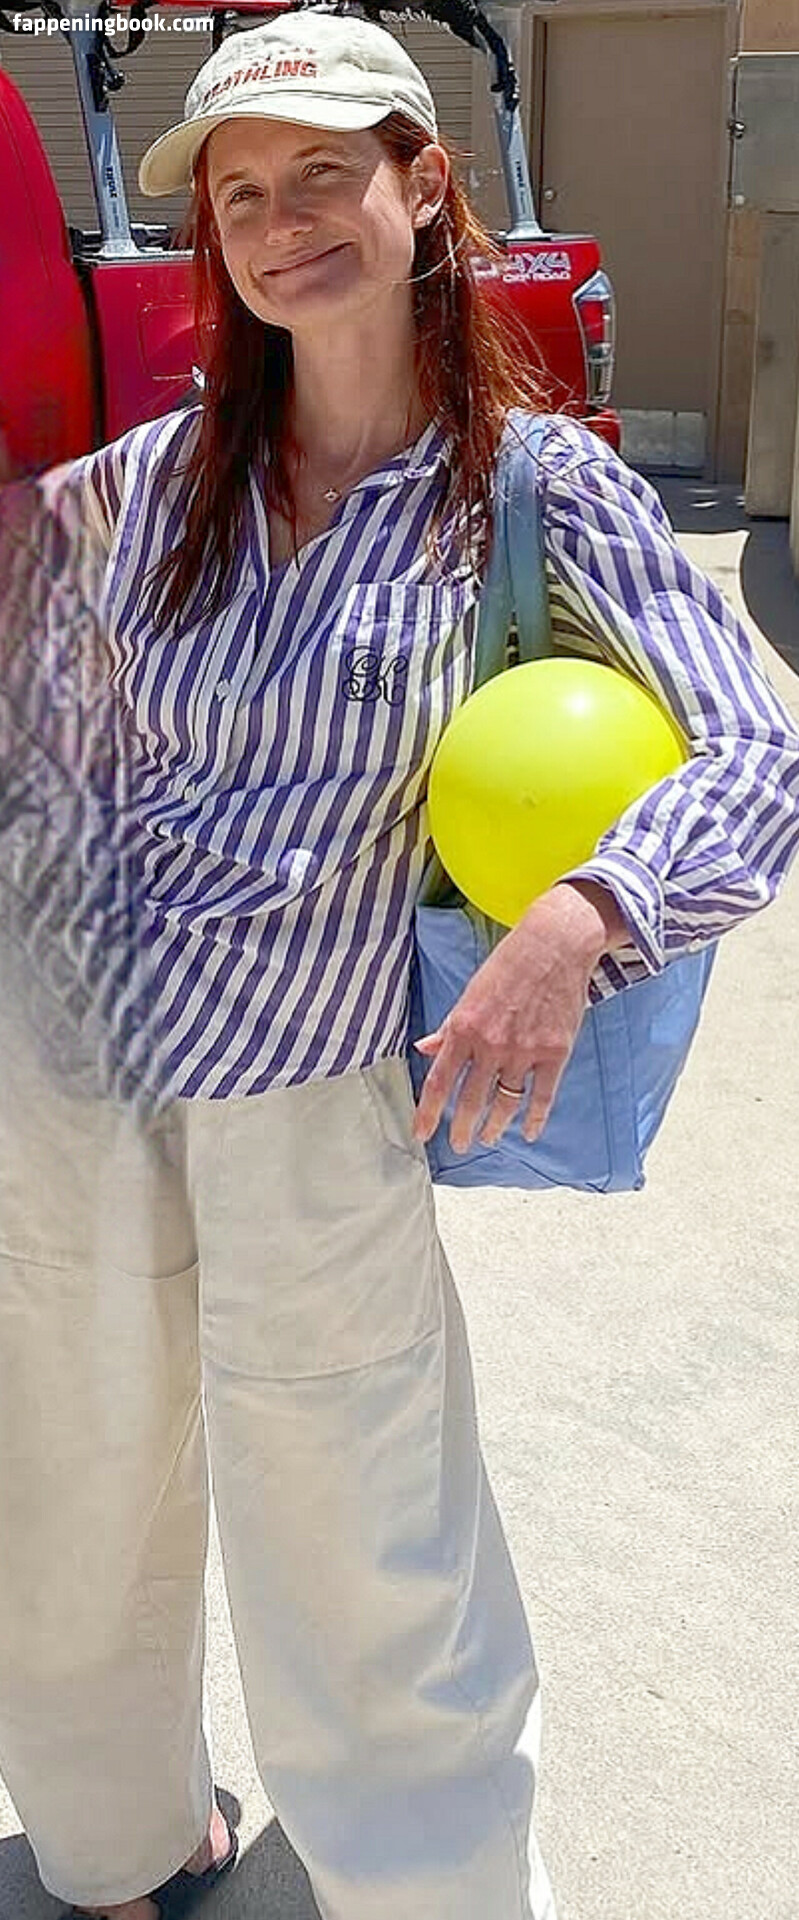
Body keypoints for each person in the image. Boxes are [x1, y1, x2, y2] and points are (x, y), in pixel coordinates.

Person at [0, 10, 797, 1920]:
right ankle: (117, 1845)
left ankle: (429, 1892)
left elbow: (755, 754)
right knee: (71, 1489)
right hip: (68, 1072)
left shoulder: (532, 489)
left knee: (359, 1533)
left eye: (321, 176)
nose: (282, 226)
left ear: (424, 184)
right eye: (242, 199)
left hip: (309, 1084)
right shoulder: (146, 481)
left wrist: (586, 916)